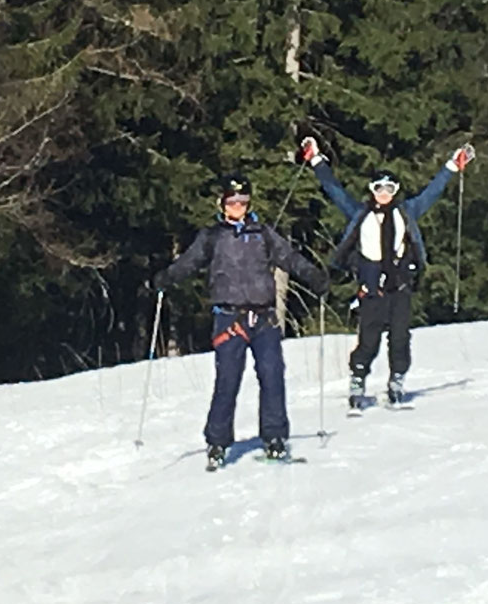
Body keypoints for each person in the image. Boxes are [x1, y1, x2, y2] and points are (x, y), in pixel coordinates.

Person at [151, 174, 330, 470]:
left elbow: (289, 258)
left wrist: (314, 277)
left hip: (263, 318)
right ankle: (217, 442)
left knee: (272, 376)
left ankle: (274, 438)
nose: (238, 206)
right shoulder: (212, 236)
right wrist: (166, 278)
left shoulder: (262, 233)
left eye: (243, 202)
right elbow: (190, 262)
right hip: (229, 318)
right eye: (232, 202)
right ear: (222, 203)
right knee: (227, 381)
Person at [301, 136, 469, 408]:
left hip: (399, 282)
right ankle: (358, 378)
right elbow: (334, 190)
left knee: (400, 337)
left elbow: (432, 191)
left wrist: (453, 164)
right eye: (379, 187)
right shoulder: (360, 212)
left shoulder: (406, 211)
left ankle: (397, 379)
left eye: (389, 187)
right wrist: (316, 159)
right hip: (370, 283)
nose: (384, 192)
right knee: (369, 339)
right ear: (372, 189)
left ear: (395, 190)